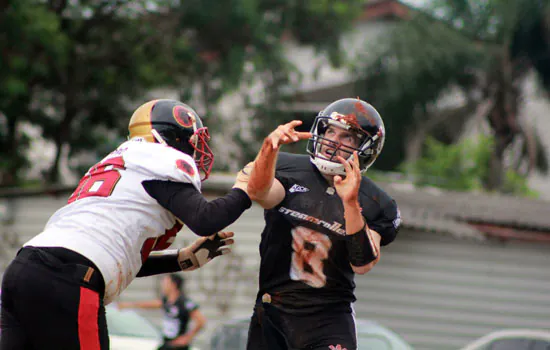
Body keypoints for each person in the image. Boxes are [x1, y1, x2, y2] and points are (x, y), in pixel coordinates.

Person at [0, 99, 251, 350]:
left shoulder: (115, 165)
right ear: (172, 137)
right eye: (194, 142)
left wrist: (181, 259)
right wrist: (245, 189)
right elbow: (205, 219)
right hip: (69, 277)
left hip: (23, 269)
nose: (196, 151)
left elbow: (108, 256)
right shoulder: (162, 161)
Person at [240, 98, 401, 350]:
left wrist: (350, 203)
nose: (333, 141)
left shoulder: (375, 202)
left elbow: (362, 263)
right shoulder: (289, 168)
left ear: (365, 148)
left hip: (328, 319)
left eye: (347, 136)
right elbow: (259, 193)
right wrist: (269, 148)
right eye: (330, 131)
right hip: (274, 310)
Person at [118, 274, 205, 350]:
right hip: (167, 342)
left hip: (177, 345)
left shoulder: (184, 302)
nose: (163, 285)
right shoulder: (167, 301)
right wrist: (129, 305)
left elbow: (201, 321)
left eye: (166, 282)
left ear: (173, 285)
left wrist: (186, 338)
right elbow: (150, 305)